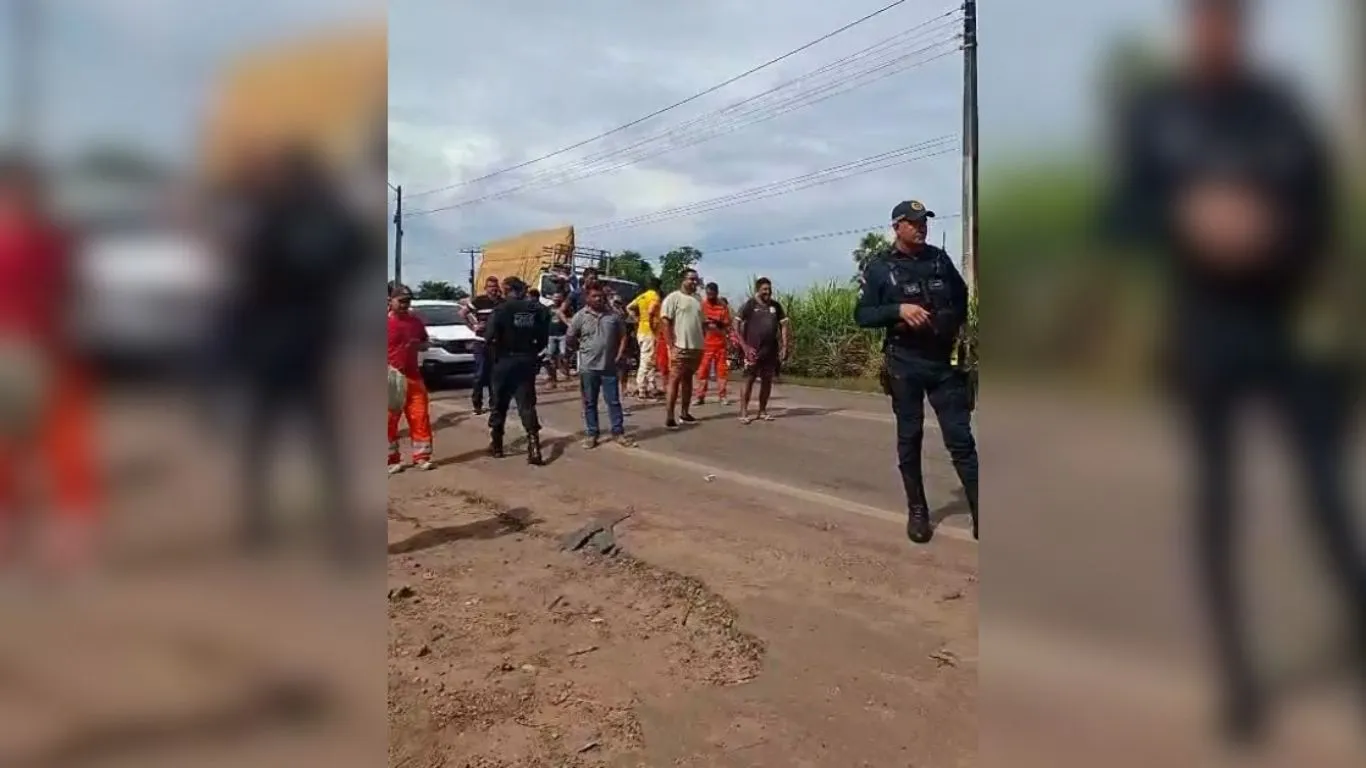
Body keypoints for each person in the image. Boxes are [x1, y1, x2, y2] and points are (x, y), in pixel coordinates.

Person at [1107, 0, 1364, 744]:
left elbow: (1321, 212)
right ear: (1191, 29)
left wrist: (1271, 229)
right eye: (1205, 19)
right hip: (1207, 337)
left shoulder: (1279, 108)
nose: (1217, 31)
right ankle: (1238, 677)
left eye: (1230, 19)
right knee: (1218, 507)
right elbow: (1122, 216)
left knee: (1326, 495)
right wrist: (1185, 217)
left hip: (1290, 332)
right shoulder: (1157, 115)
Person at [229, 146, 364, 558]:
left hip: (282, 346)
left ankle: (262, 526)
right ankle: (330, 532)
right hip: (307, 345)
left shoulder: (269, 223)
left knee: (270, 440)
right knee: (317, 442)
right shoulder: (327, 226)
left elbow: (247, 283)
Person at [855, 199, 977, 545]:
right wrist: (898, 309)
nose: (921, 227)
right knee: (910, 438)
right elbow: (862, 315)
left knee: (961, 440)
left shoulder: (938, 259)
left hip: (943, 364)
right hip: (904, 363)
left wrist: (955, 327)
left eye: (924, 222)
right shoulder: (879, 267)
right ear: (897, 227)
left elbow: (962, 294)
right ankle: (918, 510)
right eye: (914, 223)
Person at [0, 153, 99, 574]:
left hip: (33, 349)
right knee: (59, 449)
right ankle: (64, 542)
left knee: (43, 448)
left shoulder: (51, 241)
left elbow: (70, 294)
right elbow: (73, 294)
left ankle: (42, 539)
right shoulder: (57, 239)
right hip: (44, 349)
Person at [483, 276, 550, 464]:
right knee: (526, 404)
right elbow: (543, 339)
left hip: (504, 360)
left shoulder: (501, 309)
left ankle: (497, 446)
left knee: (498, 403)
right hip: (526, 359)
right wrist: (531, 352)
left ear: (507, 289)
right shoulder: (539, 310)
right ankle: (534, 447)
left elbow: (489, 336)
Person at [567, 284, 636, 449]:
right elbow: (570, 337)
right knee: (590, 402)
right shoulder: (580, 316)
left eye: (601, 296)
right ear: (587, 298)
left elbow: (624, 336)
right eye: (595, 296)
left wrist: (619, 355)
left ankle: (618, 432)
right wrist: (581, 349)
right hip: (588, 368)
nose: (599, 299)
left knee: (613, 401)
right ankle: (592, 434)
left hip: (609, 367)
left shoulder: (613, 316)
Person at [387, 283, 434, 473]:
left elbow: (425, 342)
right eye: (402, 301)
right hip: (390, 378)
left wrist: (420, 345)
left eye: (408, 301)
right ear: (389, 300)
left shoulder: (415, 322)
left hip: (414, 377)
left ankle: (422, 457)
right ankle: (390, 460)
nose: (406, 305)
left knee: (420, 417)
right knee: (388, 421)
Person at [736, 277, 790, 423]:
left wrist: (785, 346)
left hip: (770, 351)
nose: (768, 292)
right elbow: (736, 325)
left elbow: (784, 326)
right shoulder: (749, 305)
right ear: (758, 290)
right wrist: (744, 346)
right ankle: (743, 412)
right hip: (753, 351)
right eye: (765, 289)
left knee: (767, 381)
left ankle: (762, 410)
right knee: (748, 380)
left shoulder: (776, 306)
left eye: (769, 289)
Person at [660, 268, 706, 429]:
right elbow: (665, 322)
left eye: (696, 280)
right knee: (674, 380)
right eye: (691, 279)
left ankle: (685, 413)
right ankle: (669, 416)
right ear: (683, 280)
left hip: (696, 348)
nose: (694, 282)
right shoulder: (673, 298)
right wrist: (671, 345)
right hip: (680, 347)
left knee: (688, 380)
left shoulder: (698, 299)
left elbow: (702, 323)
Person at [466, 275, 503, 414]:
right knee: (480, 374)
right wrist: (473, 326)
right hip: (481, 342)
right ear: (486, 288)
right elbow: (463, 313)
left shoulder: (502, 303)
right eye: (490, 287)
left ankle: (494, 404)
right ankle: (477, 403)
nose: (493, 290)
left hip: (497, 343)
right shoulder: (479, 301)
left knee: (495, 375)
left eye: (495, 287)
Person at [695, 282, 733, 406]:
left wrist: (718, 324)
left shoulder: (722, 307)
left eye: (712, 294)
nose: (709, 296)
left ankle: (722, 396)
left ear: (716, 293)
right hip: (705, 344)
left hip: (720, 344)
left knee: (721, 372)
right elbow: (697, 323)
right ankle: (700, 396)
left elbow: (728, 324)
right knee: (702, 371)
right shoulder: (702, 306)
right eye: (708, 293)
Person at [626, 277, 663, 399]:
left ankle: (652, 386)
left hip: (641, 331)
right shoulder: (654, 297)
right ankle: (641, 388)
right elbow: (652, 311)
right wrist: (652, 326)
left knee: (650, 359)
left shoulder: (642, 296)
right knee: (646, 361)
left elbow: (629, 307)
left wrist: (637, 319)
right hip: (649, 332)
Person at [544, 290, 571, 389]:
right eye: (554, 297)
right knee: (550, 357)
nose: (556, 299)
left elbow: (570, 319)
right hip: (551, 335)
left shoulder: (566, 309)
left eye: (558, 297)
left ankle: (565, 372)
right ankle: (553, 378)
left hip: (562, 335)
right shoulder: (548, 309)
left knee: (564, 355)